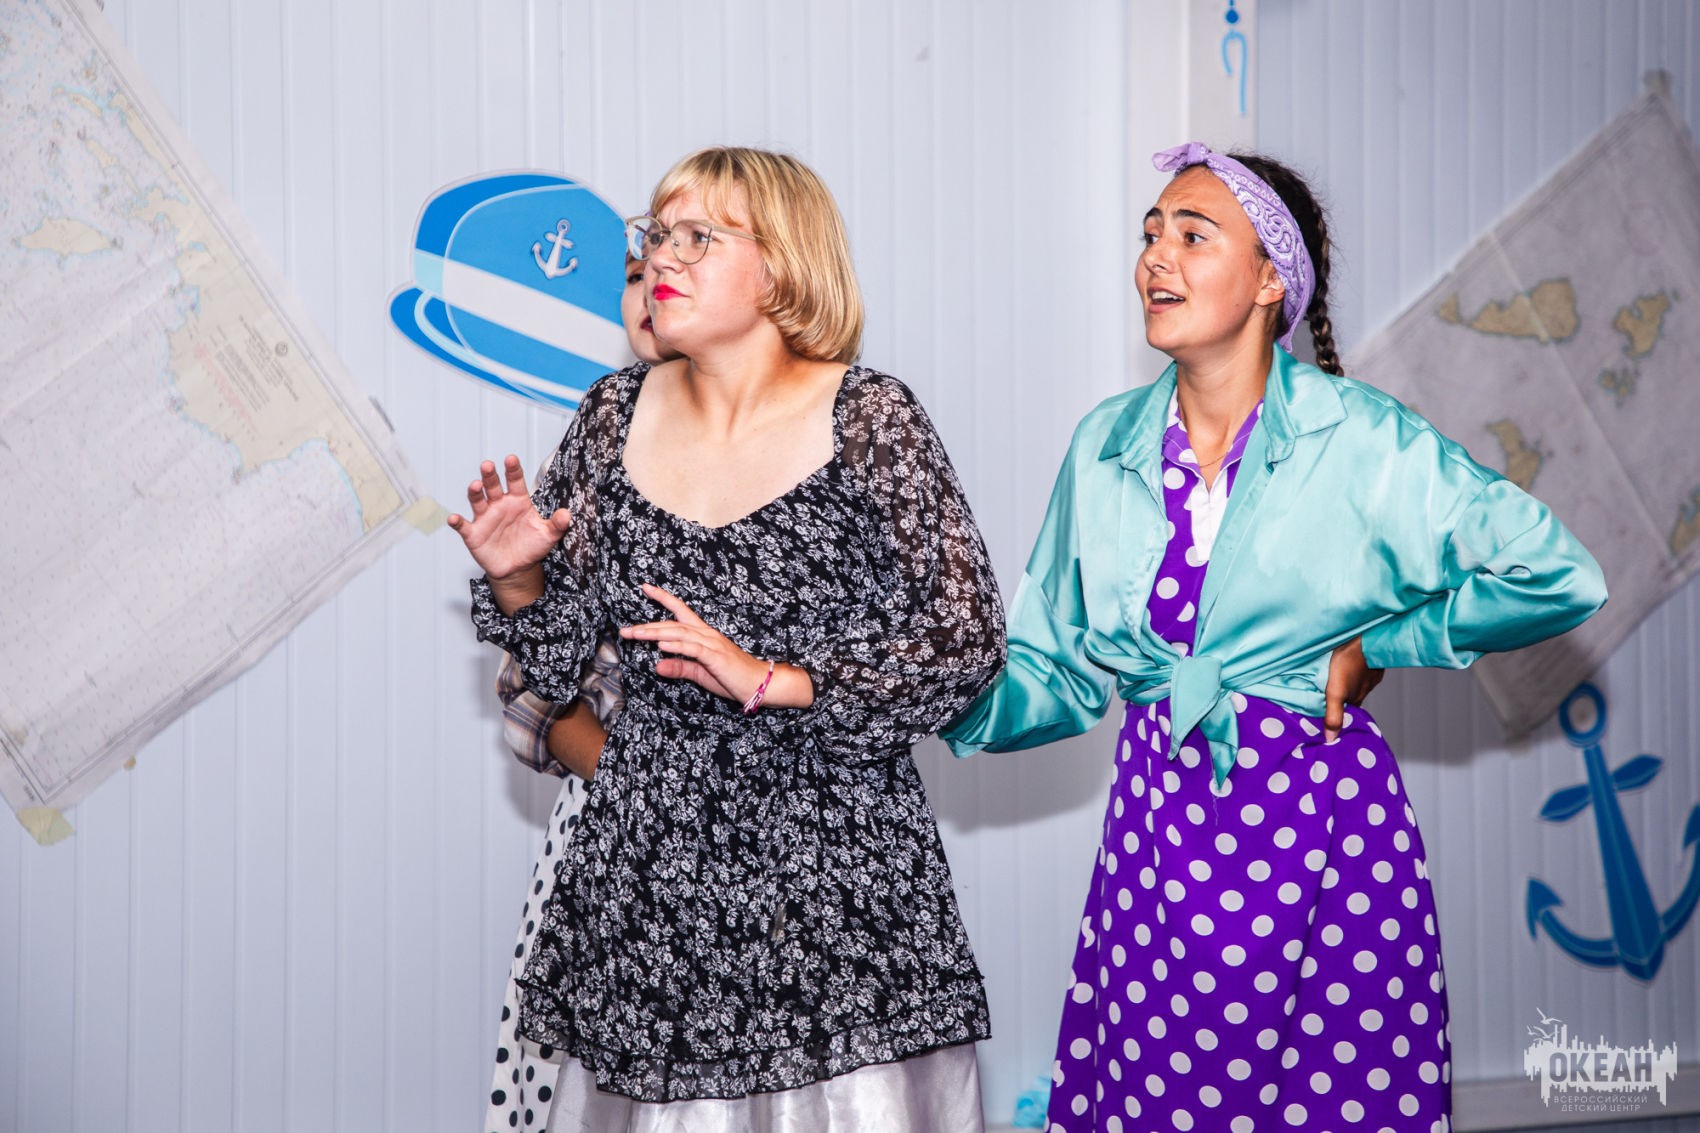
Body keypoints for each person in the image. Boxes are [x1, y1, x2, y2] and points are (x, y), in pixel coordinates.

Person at [944, 143, 1606, 1132]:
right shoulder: (1103, 447)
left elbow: (1556, 572)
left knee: (1334, 1102)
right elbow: (1056, 671)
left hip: (1323, 837)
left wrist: (1387, 643)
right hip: (1158, 843)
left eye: (1192, 234)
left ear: (1268, 280)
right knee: (1162, 1100)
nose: (1154, 256)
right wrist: (920, 692)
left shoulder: (1363, 439)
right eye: (1150, 233)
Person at [451, 146, 1004, 1132]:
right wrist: (518, 581)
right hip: (649, 889)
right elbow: (555, 668)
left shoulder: (869, 415)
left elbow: (961, 637)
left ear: (781, 265)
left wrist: (775, 680)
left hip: (832, 888)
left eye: (698, 236)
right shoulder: (611, 413)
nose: (662, 255)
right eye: (656, 233)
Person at [482, 252, 677, 1133]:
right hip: (612, 829)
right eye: (635, 272)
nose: (653, 287)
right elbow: (533, 685)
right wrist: (648, 788)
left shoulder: (822, 437)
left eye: (692, 251)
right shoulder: (605, 426)